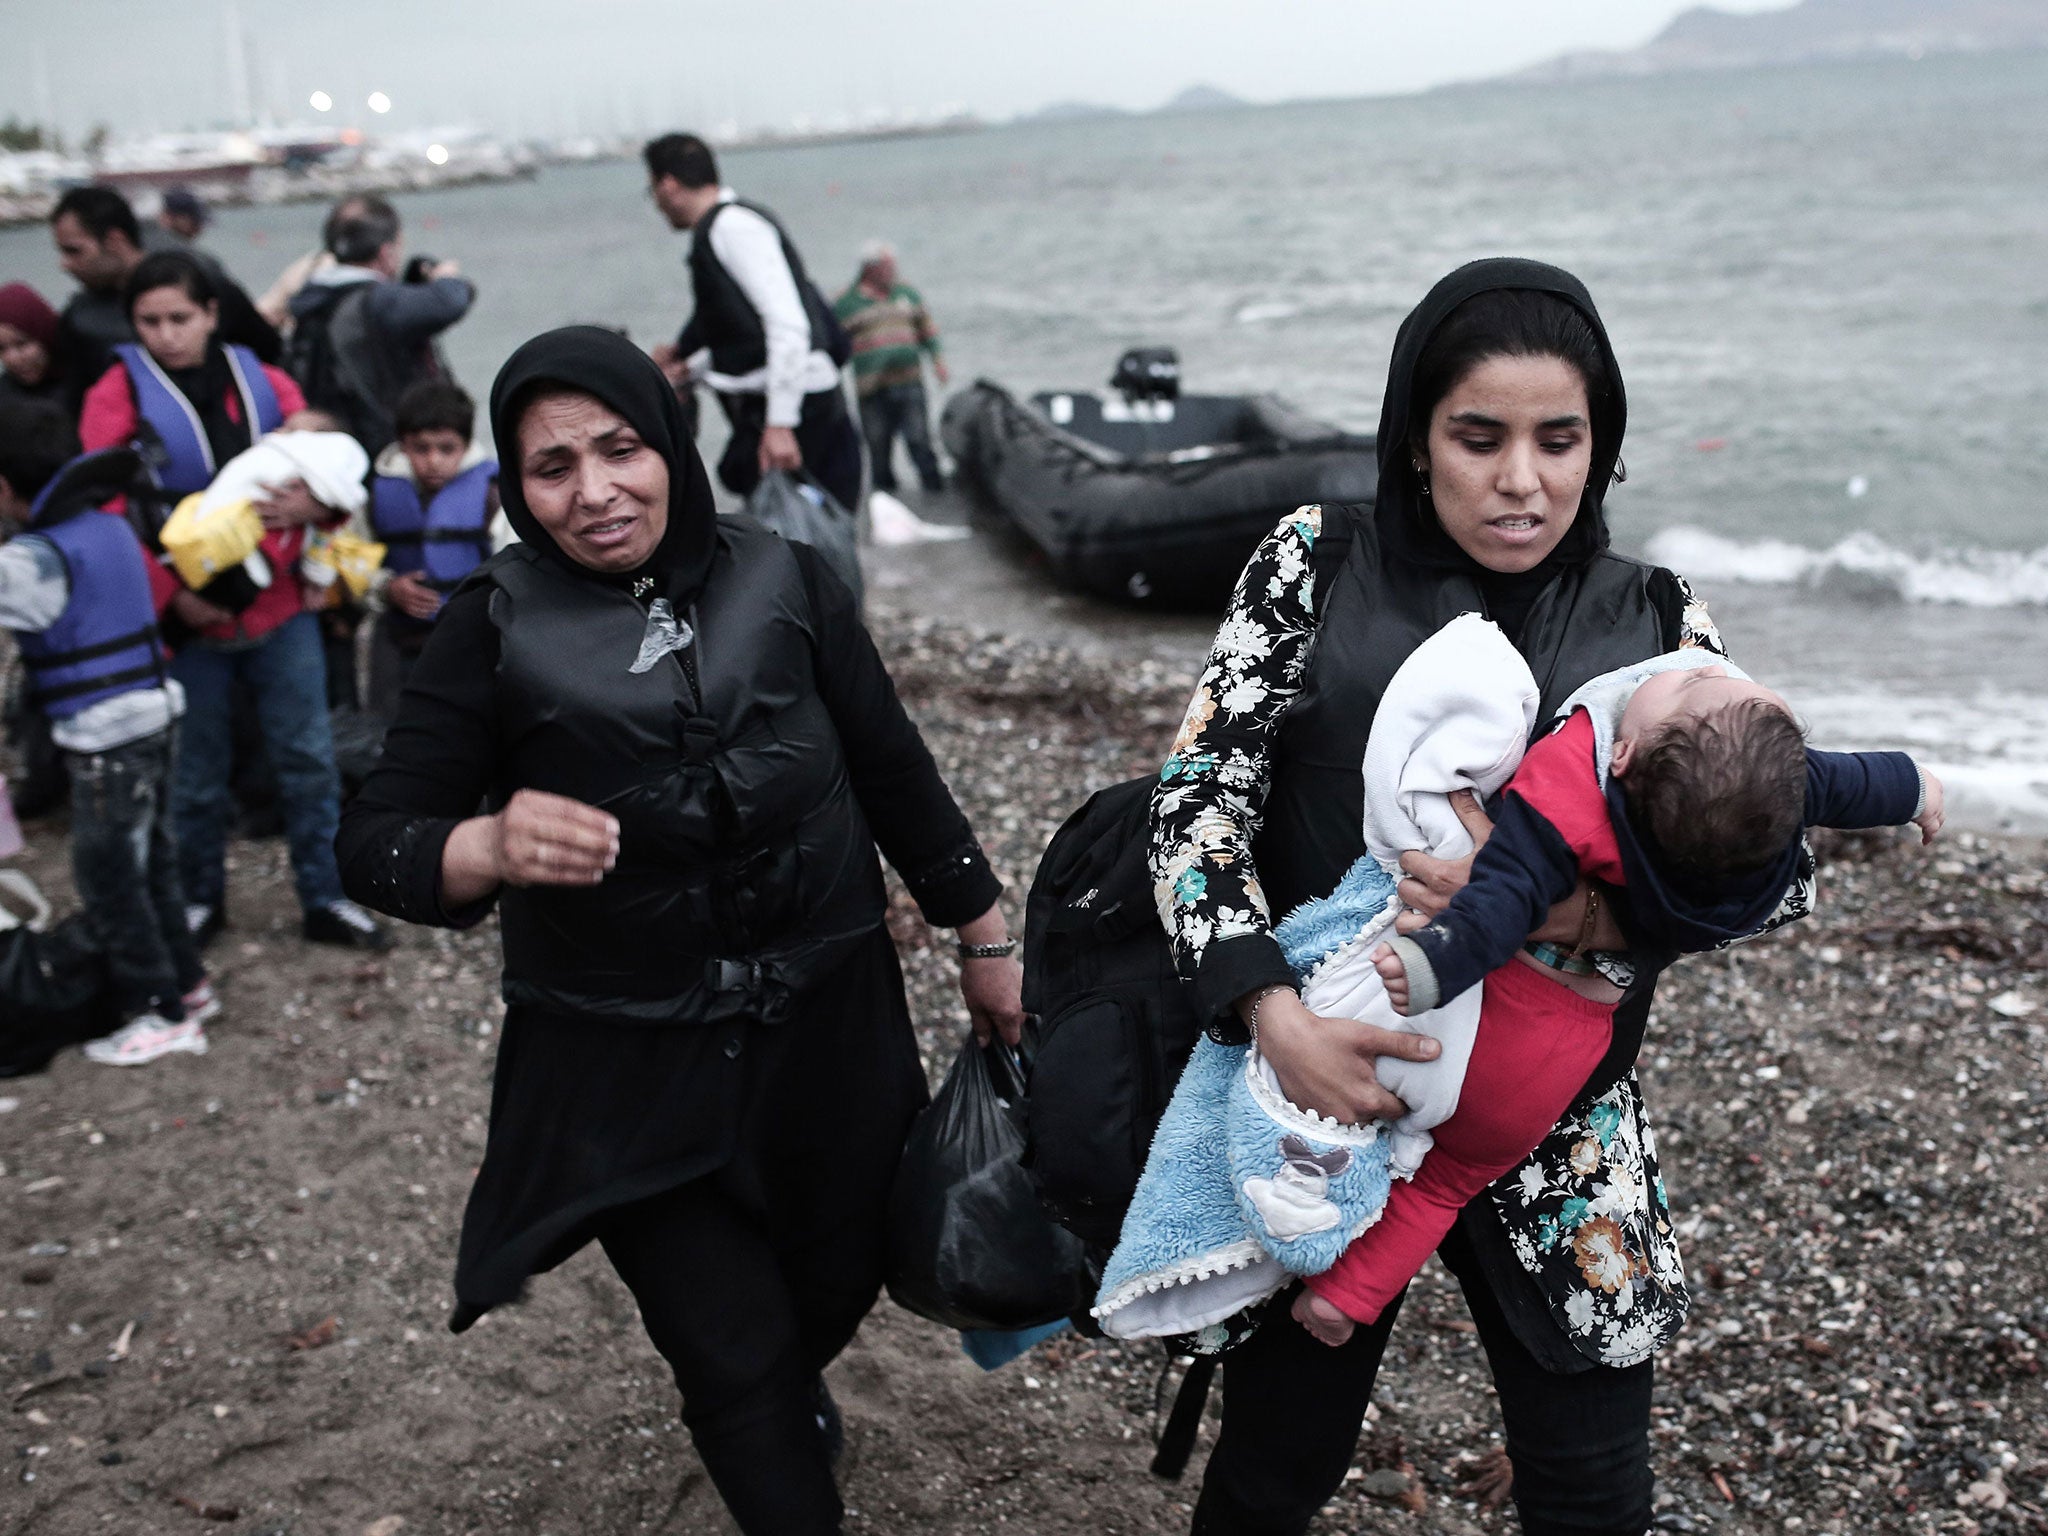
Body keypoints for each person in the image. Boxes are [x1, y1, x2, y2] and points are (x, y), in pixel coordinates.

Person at [1147, 258, 1820, 1536]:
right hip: (1322, 1092)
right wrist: (1270, 1018)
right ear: (1412, 441)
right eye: (1478, 438)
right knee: (1276, 1459)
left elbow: (1773, 867)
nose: (1522, 480)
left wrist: (1572, 919)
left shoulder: (1659, 621)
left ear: (1598, 445)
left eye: (1558, 440)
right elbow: (1193, 807)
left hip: (1555, 1117)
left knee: (1589, 1485)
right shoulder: (1310, 562)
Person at [336, 327, 1024, 1536]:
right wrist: (485, 846)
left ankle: (785, 1385)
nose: (594, 492)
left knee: (835, 1276)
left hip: (827, 1022)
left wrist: (982, 934)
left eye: (619, 450)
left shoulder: (787, 577)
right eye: (553, 469)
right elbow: (377, 839)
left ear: (670, 448)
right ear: (514, 485)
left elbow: (889, 765)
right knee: (732, 1354)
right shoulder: (488, 627)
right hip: (624, 1056)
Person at [1283, 652, 1942, 1345]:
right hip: (1566, 1042)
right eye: (1698, 679)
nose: (1708, 669)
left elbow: (1499, 900)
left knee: (1369, 1133)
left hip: (1495, 1009)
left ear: (1622, 756)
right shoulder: (1776, 782)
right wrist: (1919, 787)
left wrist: (1435, 963)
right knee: (1448, 1178)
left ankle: (1286, 1221)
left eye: (1696, 681)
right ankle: (1347, 1296)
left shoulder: (1573, 778)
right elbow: (1863, 782)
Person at [78, 252, 389, 956]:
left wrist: (318, 507)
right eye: (149, 321)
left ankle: (325, 896)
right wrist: (174, 599)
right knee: (193, 775)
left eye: (180, 318)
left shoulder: (269, 384)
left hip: (281, 613)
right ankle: (197, 901)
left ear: (212, 314)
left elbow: (332, 470)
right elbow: (104, 511)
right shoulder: (114, 394)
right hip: (186, 624)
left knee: (308, 759)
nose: (166, 334)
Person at [0, 399, 218, 1065]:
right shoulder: (110, 528)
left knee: (109, 879)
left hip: (105, 738)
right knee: (151, 864)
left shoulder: (32, 559)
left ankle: (160, 1013)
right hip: (156, 713)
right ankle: (189, 985)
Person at [643, 133, 863, 515]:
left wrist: (780, 424)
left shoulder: (732, 227)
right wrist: (688, 366)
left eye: (652, 190)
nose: (657, 204)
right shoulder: (723, 228)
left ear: (668, 185)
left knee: (807, 536)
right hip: (791, 405)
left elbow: (787, 324)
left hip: (798, 410)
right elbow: (745, 332)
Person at [48, 185, 279, 412]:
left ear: (115, 241)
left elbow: (267, 352)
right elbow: (77, 401)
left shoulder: (201, 281)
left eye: (74, 251)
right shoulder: (80, 318)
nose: (65, 265)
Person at [285, 194, 475, 456]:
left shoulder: (313, 300)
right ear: (387, 251)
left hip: (338, 445)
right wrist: (446, 278)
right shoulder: (377, 301)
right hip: (388, 448)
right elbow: (451, 301)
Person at [357, 378, 505, 712]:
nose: (433, 460)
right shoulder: (372, 496)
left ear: (466, 446)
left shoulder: (493, 494)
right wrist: (386, 588)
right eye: (421, 448)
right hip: (404, 645)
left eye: (446, 448)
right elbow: (354, 563)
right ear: (402, 446)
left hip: (475, 646)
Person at [834, 242, 949, 495]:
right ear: (869, 269)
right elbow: (833, 343)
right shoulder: (846, 302)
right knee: (877, 445)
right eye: (887, 267)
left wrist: (938, 360)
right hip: (872, 388)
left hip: (909, 381)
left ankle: (935, 493)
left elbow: (927, 329)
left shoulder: (906, 293)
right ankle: (885, 497)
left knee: (919, 439)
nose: (892, 271)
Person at [0, 283, 68, 411]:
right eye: (1, 349)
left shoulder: (87, 385)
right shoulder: (5, 400)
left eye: (22, 344)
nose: (13, 359)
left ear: (45, 335)